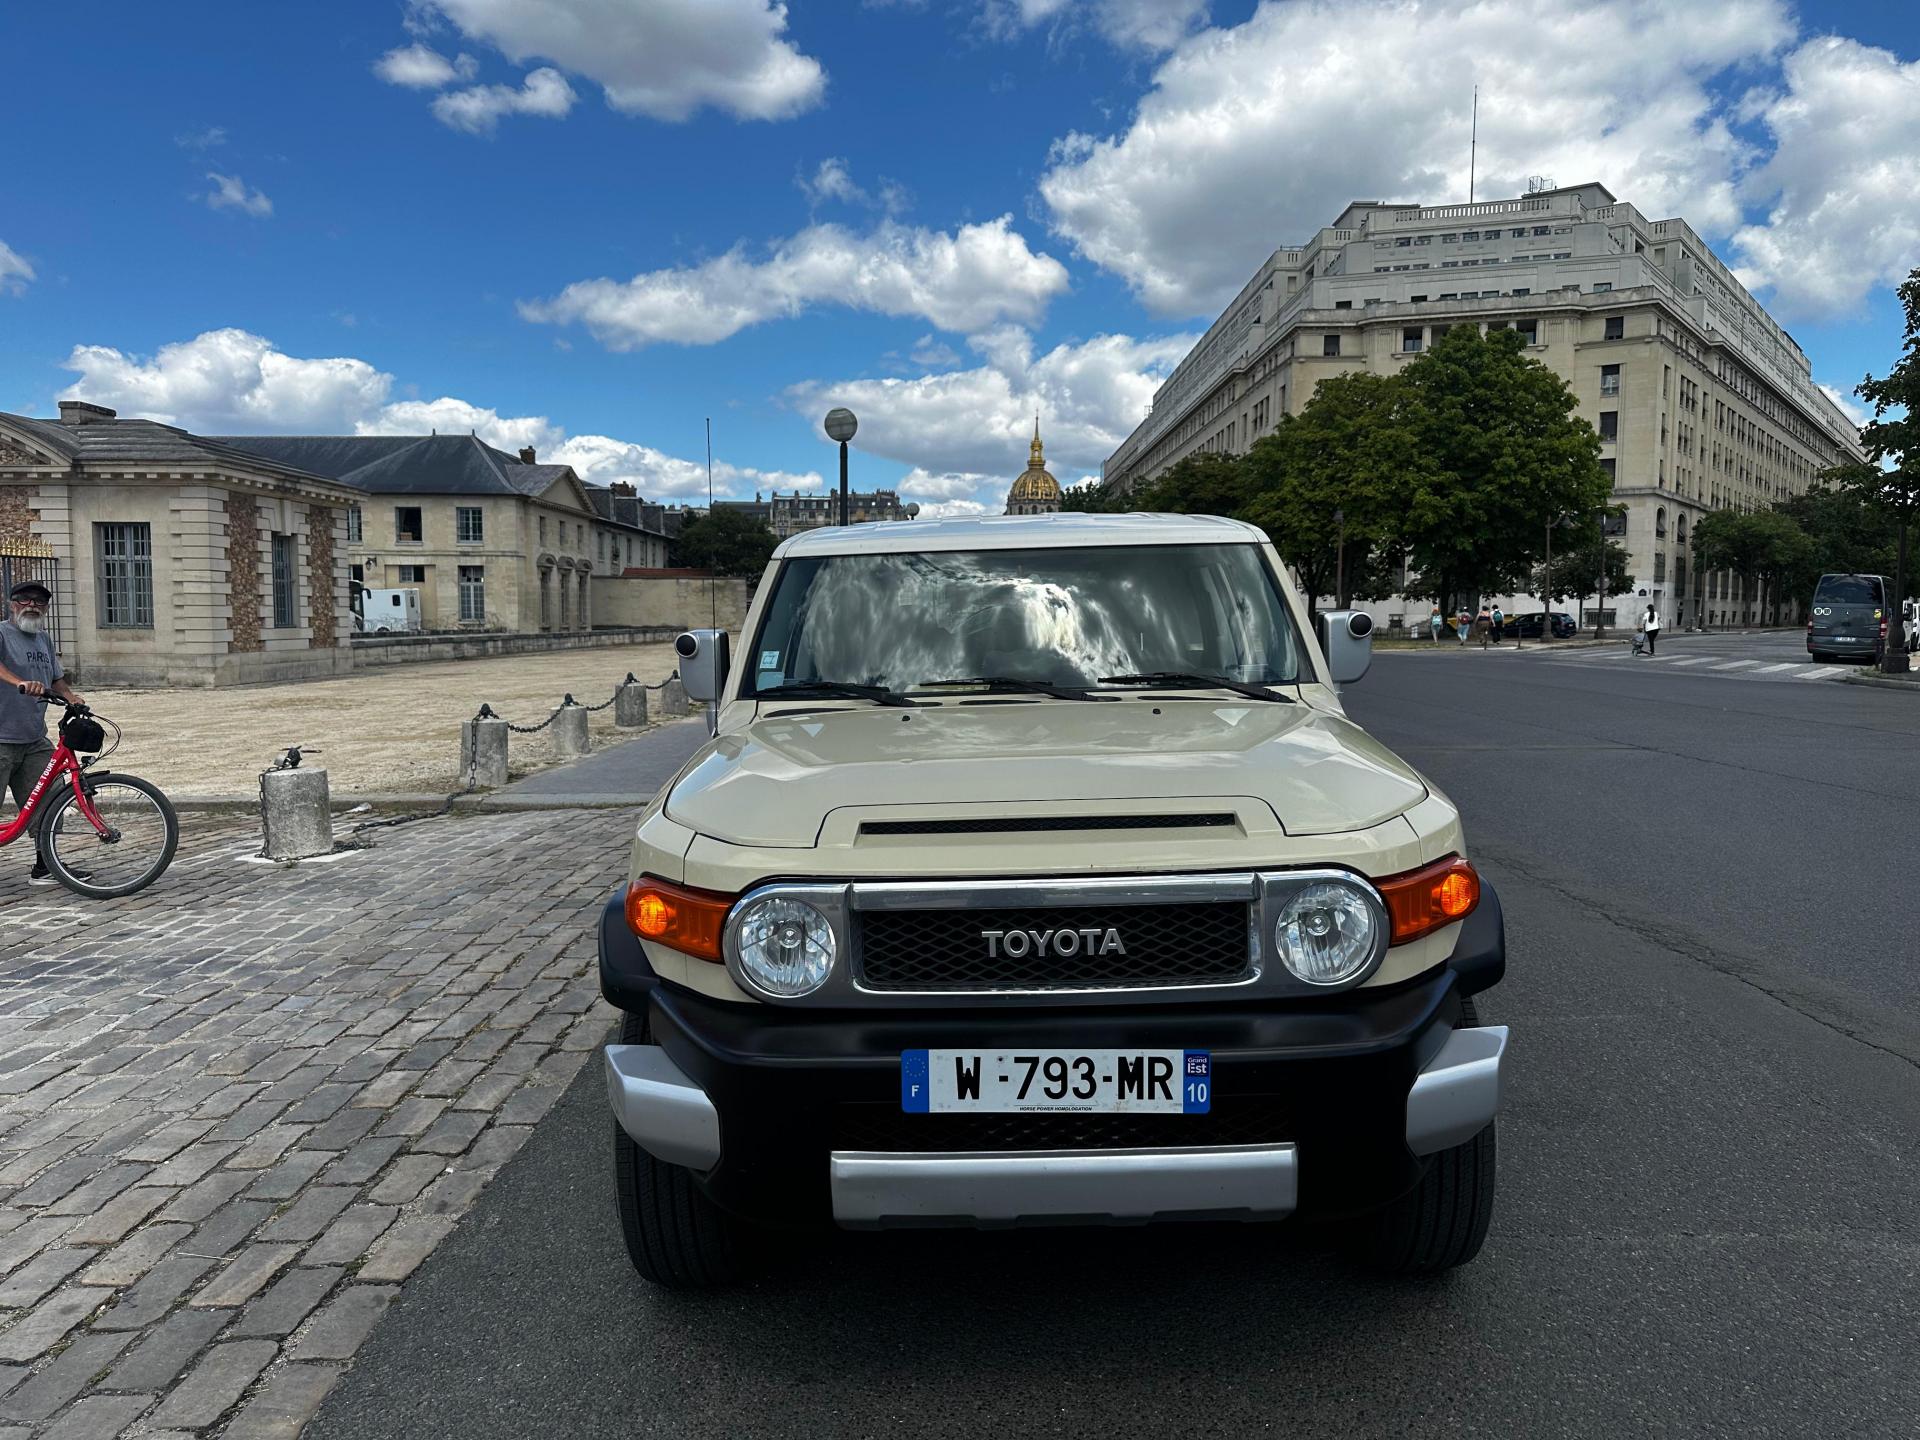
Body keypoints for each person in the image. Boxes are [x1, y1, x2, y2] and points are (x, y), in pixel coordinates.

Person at [0, 581, 88, 885]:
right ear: (12, 604)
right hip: (1, 738)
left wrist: (72, 698)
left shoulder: (44, 640)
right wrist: (20, 682)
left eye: (39, 601)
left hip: (34, 737)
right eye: (25, 599)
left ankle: (45, 865)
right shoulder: (2, 634)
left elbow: (56, 679)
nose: (32, 605)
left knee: (49, 798)